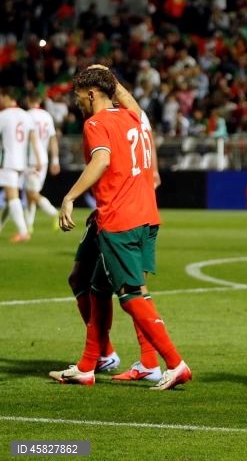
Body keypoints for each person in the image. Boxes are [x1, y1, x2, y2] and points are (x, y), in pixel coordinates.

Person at [49, 67, 191, 390]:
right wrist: (111, 80)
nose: (77, 105)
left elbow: (101, 160)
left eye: (78, 98)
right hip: (142, 215)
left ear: (90, 95)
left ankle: (175, 362)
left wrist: (69, 197)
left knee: (129, 294)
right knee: (97, 286)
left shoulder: (96, 124)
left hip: (120, 218)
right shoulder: (133, 118)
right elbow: (137, 114)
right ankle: (89, 365)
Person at [0, 89, 42, 242]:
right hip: (22, 162)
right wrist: (38, 159)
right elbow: (33, 139)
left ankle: (23, 232)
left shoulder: (3, 116)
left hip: (7, 162)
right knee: (10, 197)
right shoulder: (26, 116)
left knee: (12, 197)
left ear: (6, 97)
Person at [24, 94, 60, 233]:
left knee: (32, 193)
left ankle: (55, 214)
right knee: (30, 193)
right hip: (43, 159)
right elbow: (53, 140)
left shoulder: (27, 115)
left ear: (28, 100)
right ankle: (29, 226)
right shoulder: (47, 116)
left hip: (32, 160)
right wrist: (55, 160)